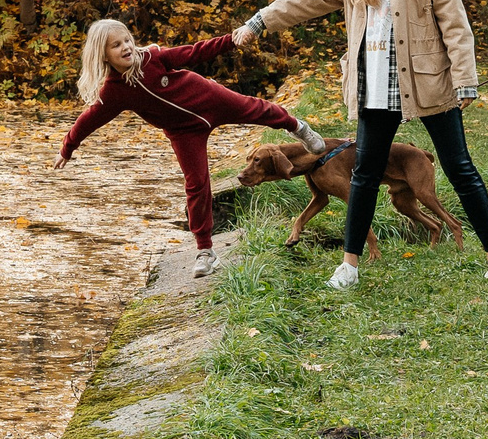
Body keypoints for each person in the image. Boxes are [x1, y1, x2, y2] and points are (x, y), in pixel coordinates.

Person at [233, 0, 488, 292]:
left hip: (428, 82)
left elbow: (453, 17)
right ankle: (349, 266)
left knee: (460, 169)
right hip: (374, 86)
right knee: (363, 175)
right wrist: (260, 21)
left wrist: (465, 78)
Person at [56, 19, 329, 277]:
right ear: (103, 55)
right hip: (183, 131)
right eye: (116, 45)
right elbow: (89, 120)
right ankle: (205, 252)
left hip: (208, 99)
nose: (126, 47)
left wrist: (232, 41)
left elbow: (198, 51)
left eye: (127, 40)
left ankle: (299, 128)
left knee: (257, 109)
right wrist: (67, 148)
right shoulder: (114, 93)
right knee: (196, 183)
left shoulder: (154, 58)